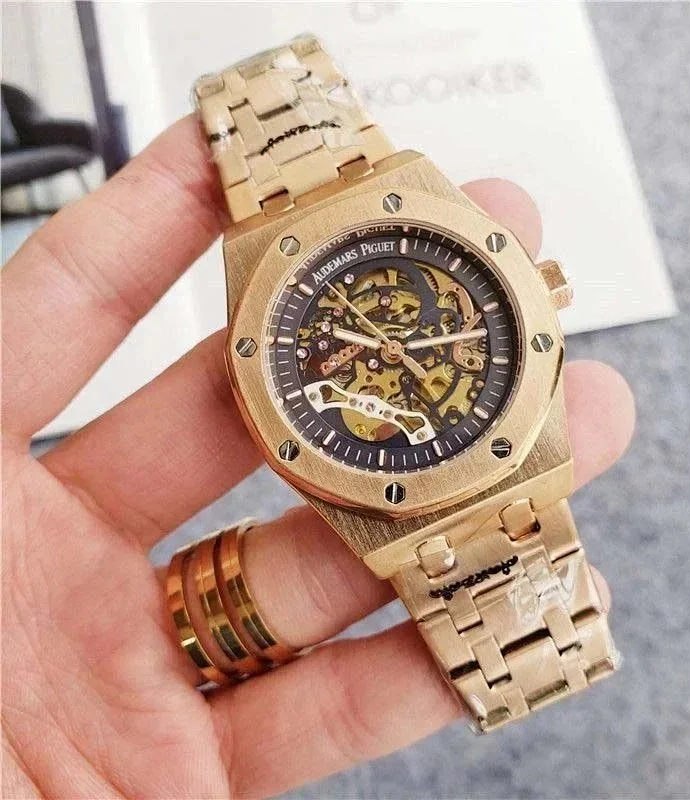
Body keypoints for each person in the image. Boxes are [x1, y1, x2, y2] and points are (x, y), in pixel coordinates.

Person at [1, 116, 635, 799]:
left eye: (401, 341)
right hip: (403, 473)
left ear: (539, 288)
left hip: (473, 461)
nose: (391, 350)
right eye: (379, 347)